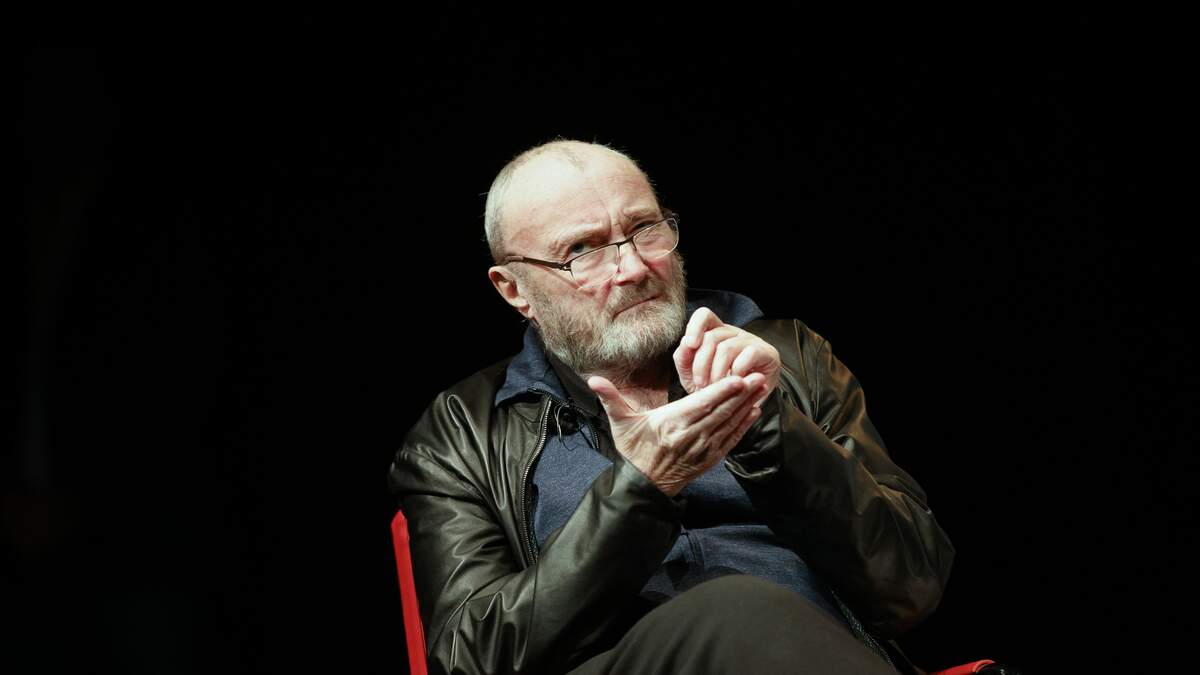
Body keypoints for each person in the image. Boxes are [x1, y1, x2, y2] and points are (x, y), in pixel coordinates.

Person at [388, 140, 955, 675]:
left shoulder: (788, 358)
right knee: (734, 608)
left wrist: (769, 427)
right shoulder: (462, 430)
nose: (634, 267)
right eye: (581, 251)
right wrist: (642, 488)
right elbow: (470, 656)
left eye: (644, 229)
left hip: (816, 653)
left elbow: (911, 584)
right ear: (514, 289)